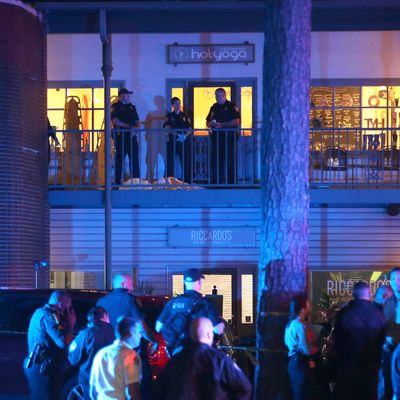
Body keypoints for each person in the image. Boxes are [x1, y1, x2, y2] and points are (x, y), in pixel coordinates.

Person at [154, 317, 252, 400]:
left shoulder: (176, 360)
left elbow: (158, 390)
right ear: (210, 334)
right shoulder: (220, 360)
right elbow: (245, 388)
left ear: (191, 335)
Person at [331, 281, 386, 400]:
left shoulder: (344, 314)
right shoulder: (379, 314)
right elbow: (383, 341)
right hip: (371, 367)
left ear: (353, 294)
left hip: (348, 367)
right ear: (369, 294)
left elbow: (336, 341)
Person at [155, 268, 224, 356]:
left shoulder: (173, 302)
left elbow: (158, 327)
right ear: (199, 282)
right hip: (197, 353)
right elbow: (218, 330)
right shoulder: (205, 303)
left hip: (178, 352)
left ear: (184, 282)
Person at [24, 290, 76, 400]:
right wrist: (71, 324)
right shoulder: (50, 316)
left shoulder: (42, 312)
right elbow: (63, 342)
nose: (69, 309)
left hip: (41, 365)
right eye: (69, 306)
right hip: (43, 367)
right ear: (61, 302)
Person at [89, 316, 143, 400]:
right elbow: (133, 393)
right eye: (138, 332)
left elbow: (93, 392)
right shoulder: (130, 356)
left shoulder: (101, 354)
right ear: (130, 332)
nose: (140, 336)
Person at [68, 306, 115, 399]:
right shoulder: (117, 332)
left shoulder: (85, 333)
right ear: (105, 316)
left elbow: (73, 358)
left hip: (90, 381)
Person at [284, 295, 319, 400]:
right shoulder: (299, 325)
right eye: (308, 305)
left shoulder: (291, 323)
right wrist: (319, 349)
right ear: (302, 309)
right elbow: (306, 349)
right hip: (300, 363)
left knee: (298, 394)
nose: (309, 308)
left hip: (294, 362)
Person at [206, 88, 240, 185]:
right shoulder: (213, 107)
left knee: (230, 161)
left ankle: (232, 183)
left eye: (220, 95)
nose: (218, 98)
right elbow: (207, 122)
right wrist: (211, 124)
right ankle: (217, 183)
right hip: (216, 138)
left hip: (229, 138)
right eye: (216, 96)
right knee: (216, 161)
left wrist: (222, 125)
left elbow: (237, 121)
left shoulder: (231, 106)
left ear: (225, 96)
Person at [111, 88, 141, 186]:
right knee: (119, 161)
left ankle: (136, 182)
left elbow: (137, 121)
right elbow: (115, 121)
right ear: (121, 96)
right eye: (127, 95)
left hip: (132, 138)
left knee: (135, 160)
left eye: (129, 95)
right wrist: (129, 127)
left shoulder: (132, 107)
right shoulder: (116, 106)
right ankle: (117, 183)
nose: (128, 97)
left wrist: (135, 128)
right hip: (121, 138)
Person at [163, 97, 192, 183]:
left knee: (186, 160)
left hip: (184, 141)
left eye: (179, 103)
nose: (178, 105)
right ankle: (168, 181)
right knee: (170, 161)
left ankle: (188, 181)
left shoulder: (184, 116)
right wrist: (178, 135)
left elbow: (190, 128)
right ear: (172, 105)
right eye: (176, 103)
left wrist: (185, 136)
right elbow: (167, 128)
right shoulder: (169, 116)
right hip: (173, 142)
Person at [381, 268, 400, 400]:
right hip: (388, 349)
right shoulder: (386, 301)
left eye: (399, 278)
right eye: (393, 279)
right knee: (387, 383)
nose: (396, 282)